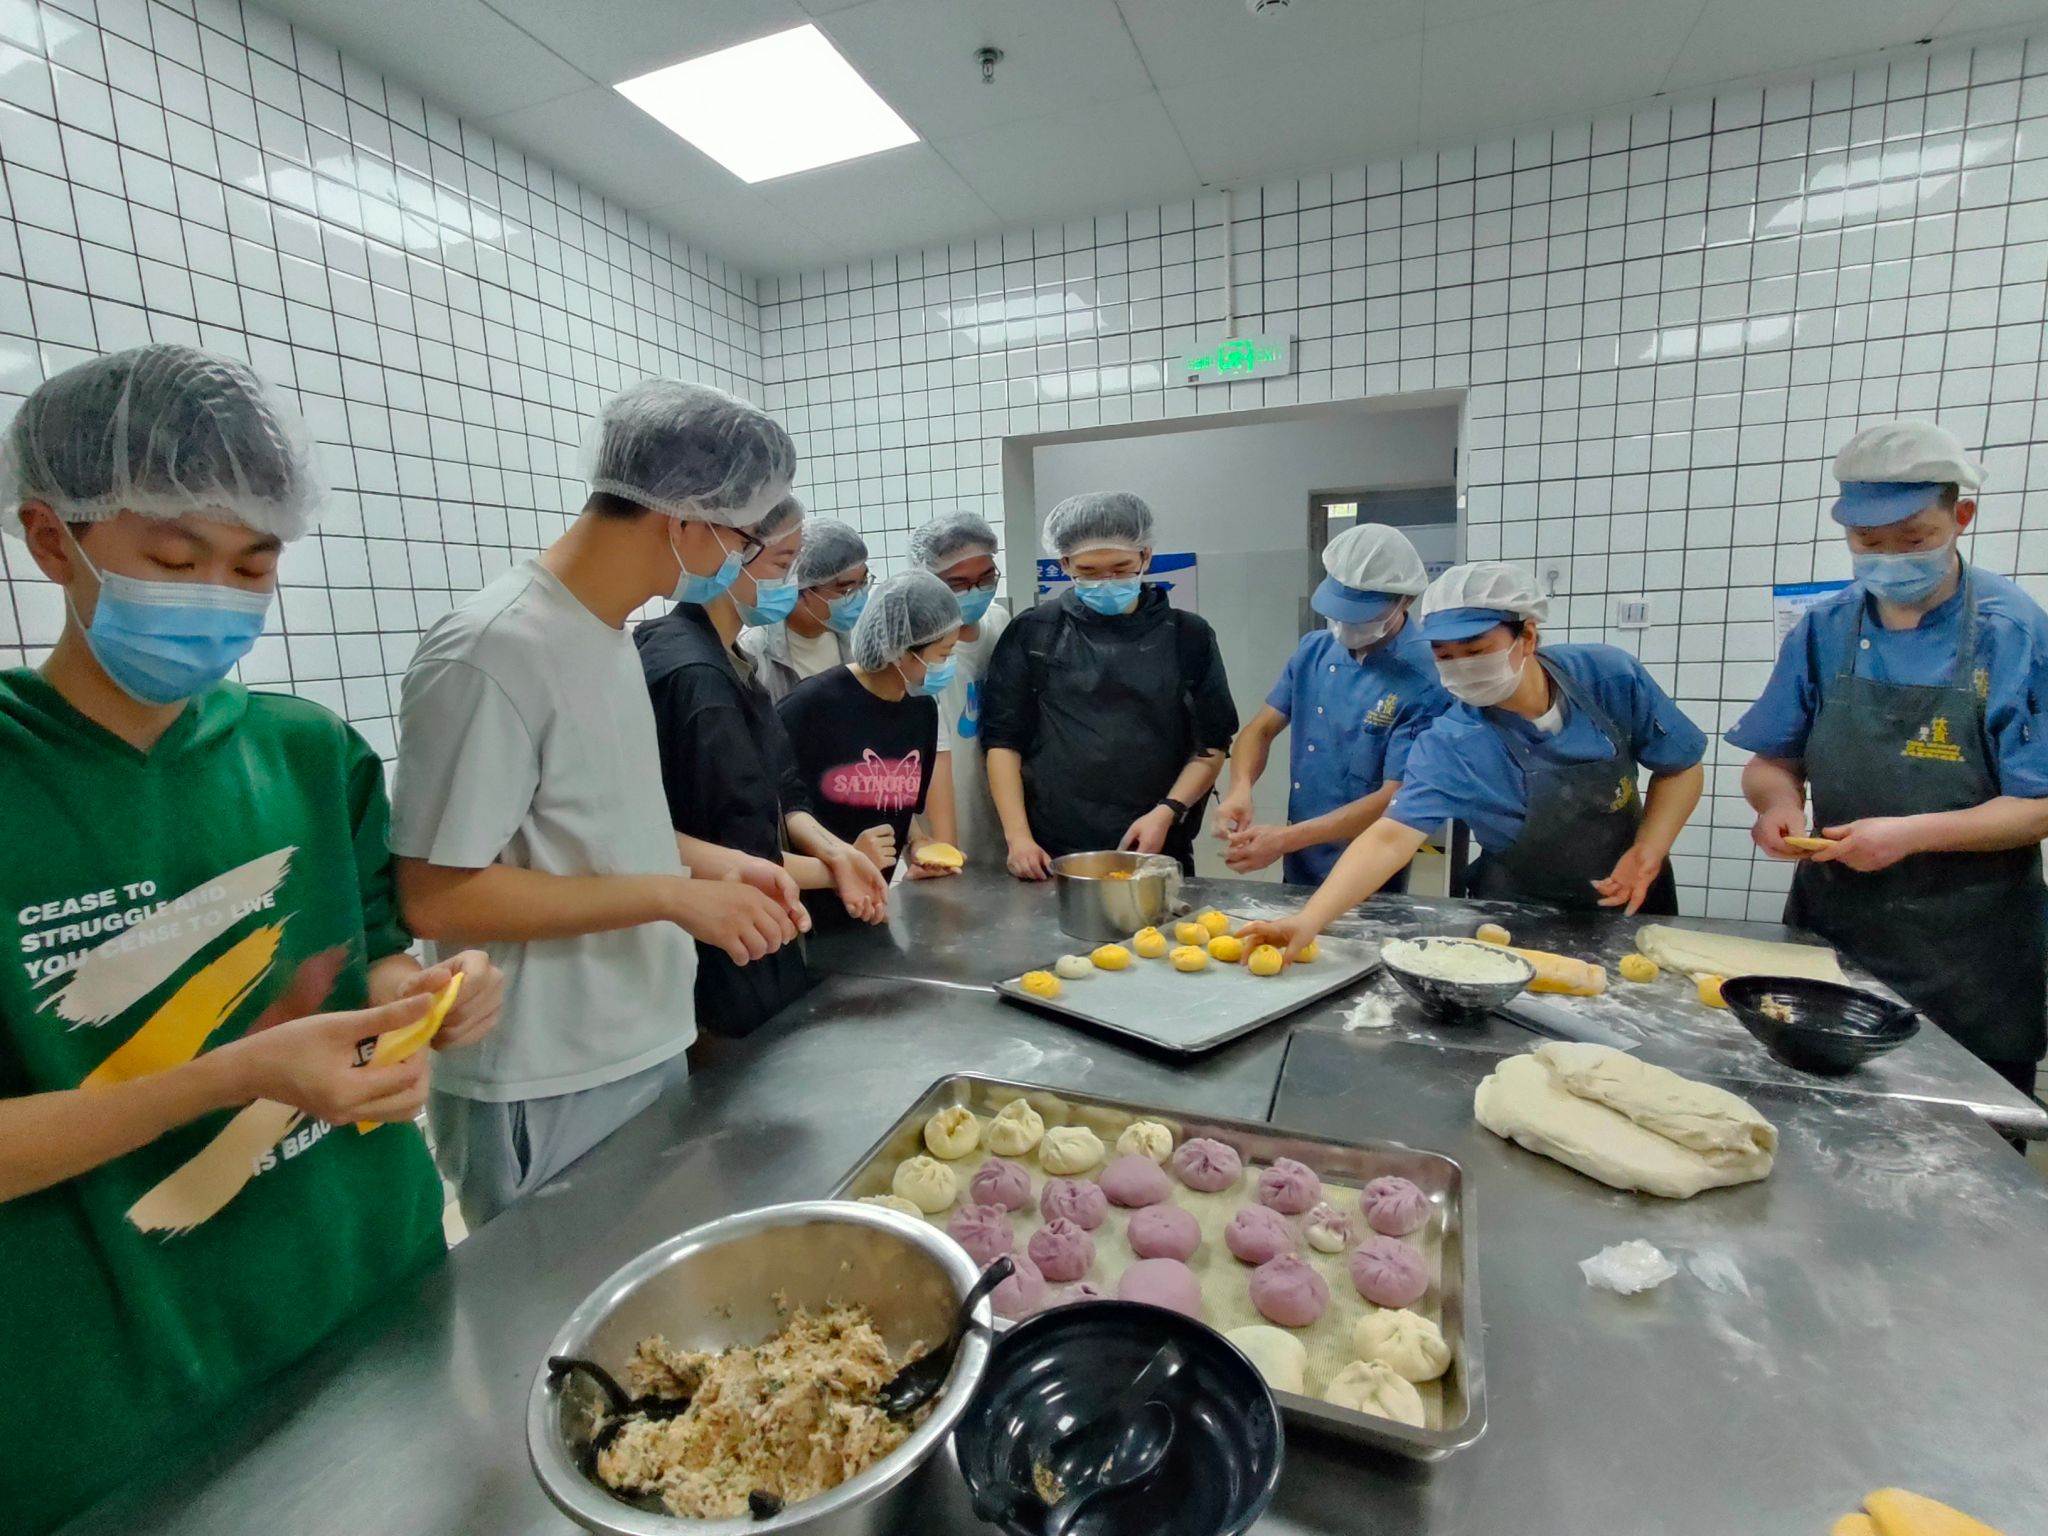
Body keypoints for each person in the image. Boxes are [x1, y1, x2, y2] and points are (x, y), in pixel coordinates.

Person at [0, 345, 505, 1534]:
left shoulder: (305, 751)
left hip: (374, 1302)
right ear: (52, 539)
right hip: (122, 1396)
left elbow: (375, 953)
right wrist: (232, 1076)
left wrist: (422, 1001)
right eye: (176, 562)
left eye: (252, 565)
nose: (216, 597)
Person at [391, 379, 807, 1226]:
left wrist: (722, 867)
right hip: (544, 1074)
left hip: (642, 1041)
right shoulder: (494, 649)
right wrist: (671, 897)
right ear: (682, 520)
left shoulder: (608, 635)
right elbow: (436, 893)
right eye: (740, 539)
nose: (738, 562)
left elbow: (594, 828)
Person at [1729, 420, 2048, 1097]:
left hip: (1968, 952)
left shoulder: (2011, 631)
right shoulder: (1826, 627)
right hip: (1835, 934)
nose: (1890, 559)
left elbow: (2038, 806)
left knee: (1967, 1140)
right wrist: (1777, 804)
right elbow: (1771, 759)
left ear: (1961, 517)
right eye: (1869, 543)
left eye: (1914, 538)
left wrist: (1908, 836)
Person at [1240, 561, 1706, 957]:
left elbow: (1680, 767)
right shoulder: (1451, 741)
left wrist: (1648, 850)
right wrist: (1310, 920)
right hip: (1519, 904)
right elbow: (1390, 837)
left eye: (1476, 651)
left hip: (1633, 887)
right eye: (1445, 656)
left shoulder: (1607, 677)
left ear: (1527, 636)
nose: (1461, 667)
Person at [635, 494, 892, 1048]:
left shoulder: (729, 660)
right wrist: (835, 872)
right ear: (729, 552)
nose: (792, 582)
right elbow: (734, 839)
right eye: (783, 563)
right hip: (718, 941)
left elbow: (780, 789)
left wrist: (835, 852)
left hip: (753, 915)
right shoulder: (695, 676)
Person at [982, 492, 1239, 878]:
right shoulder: (1035, 633)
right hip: (1051, 848)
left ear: (1145, 557)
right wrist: (1018, 837)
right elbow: (1003, 741)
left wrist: (1167, 811)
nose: (1106, 582)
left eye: (1121, 569)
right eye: (1089, 572)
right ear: (1065, 564)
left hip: (1157, 843)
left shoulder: (1188, 636)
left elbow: (1212, 746)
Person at [1216, 524, 1452, 887]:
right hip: (1300, 861)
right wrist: (1240, 788)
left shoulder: (1426, 679)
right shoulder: (1315, 650)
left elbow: (1395, 797)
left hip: (1368, 869)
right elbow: (1260, 729)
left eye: (1363, 615)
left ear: (1404, 601)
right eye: (1340, 613)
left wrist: (1284, 840)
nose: (1346, 626)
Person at [777, 570, 964, 905]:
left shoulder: (922, 709)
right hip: (807, 909)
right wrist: (843, 856)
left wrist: (917, 843)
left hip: (872, 905)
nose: (947, 665)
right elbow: (780, 809)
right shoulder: (809, 707)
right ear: (902, 650)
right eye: (943, 654)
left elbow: (897, 797)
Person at [909, 510, 1012, 868]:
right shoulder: (915, 653)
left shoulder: (999, 623)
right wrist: (938, 843)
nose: (976, 591)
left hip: (1001, 819)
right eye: (959, 583)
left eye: (986, 577)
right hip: (943, 825)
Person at [741, 517, 870, 703]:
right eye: (846, 590)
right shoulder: (755, 655)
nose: (859, 596)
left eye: (864, 583)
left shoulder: (860, 642)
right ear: (803, 589)